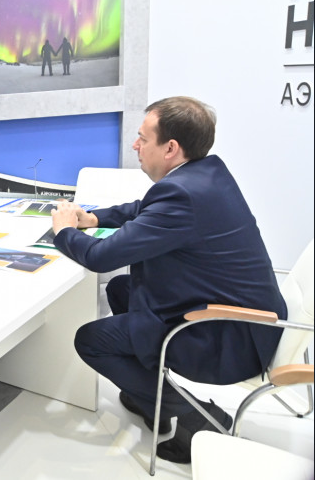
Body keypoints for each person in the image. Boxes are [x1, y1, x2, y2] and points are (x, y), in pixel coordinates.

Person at [50, 96, 286, 464]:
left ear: (171, 148)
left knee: (91, 341)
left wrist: (64, 230)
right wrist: (94, 219)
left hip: (230, 336)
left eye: (143, 138)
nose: (135, 145)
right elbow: (144, 210)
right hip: (242, 316)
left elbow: (101, 257)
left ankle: (197, 416)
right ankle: (150, 396)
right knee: (121, 289)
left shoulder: (183, 193)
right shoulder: (205, 173)